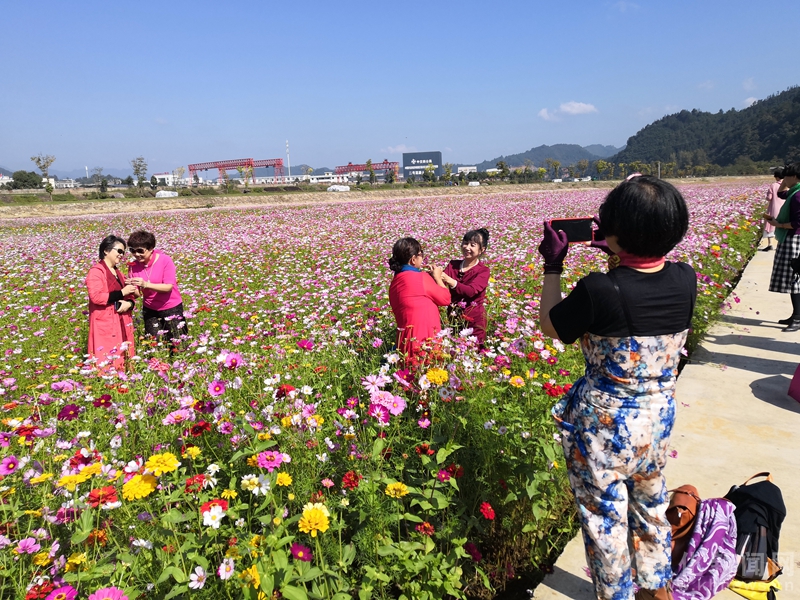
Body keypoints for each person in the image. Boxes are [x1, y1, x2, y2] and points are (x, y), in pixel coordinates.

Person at [537, 176, 697, 600]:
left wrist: (553, 264)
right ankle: (656, 588)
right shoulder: (686, 278)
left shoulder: (598, 289)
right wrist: (620, 246)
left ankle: (616, 595)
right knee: (650, 503)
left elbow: (551, 323)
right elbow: (642, 286)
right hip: (657, 418)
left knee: (604, 518)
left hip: (603, 428)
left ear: (615, 230)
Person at [388, 237, 451, 365]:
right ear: (413, 259)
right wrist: (437, 277)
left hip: (405, 341)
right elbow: (445, 299)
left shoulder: (395, 282)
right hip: (425, 340)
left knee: (408, 376)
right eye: (421, 255)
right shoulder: (421, 277)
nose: (422, 258)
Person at [125, 230, 188, 353]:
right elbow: (138, 295)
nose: (136, 254)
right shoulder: (133, 266)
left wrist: (146, 284)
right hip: (150, 309)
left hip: (171, 307)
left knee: (178, 343)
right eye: (132, 250)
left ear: (151, 248)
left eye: (140, 251)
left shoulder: (165, 260)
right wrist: (131, 288)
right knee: (154, 345)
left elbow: (168, 287)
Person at [85, 235, 138, 371]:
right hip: (106, 323)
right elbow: (96, 297)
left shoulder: (118, 272)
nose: (122, 255)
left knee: (126, 357)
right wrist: (122, 293)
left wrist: (130, 304)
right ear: (106, 251)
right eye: (119, 251)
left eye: (123, 252)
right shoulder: (96, 272)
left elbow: (131, 295)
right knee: (108, 360)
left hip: (122, 321)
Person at [440, 228, 491, 347]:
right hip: (454, 318)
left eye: (472, 245)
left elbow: (471, 291)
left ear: (482, 250)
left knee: (474, 353)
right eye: (465, 243)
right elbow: (440, 284)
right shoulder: (453, 265)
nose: (467, 247)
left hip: (474, 321)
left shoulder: (483, 271)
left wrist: (448, 279)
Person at [765, 162, 800, 331]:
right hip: (791, 237)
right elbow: (782, 195)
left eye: (787, 176)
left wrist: (778, 225)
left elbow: (797, 223)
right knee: (792, 278)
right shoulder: (794, 192)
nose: (783, 179)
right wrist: (784, 183)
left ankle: (798, 318)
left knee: (794, 279)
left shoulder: (799, 195)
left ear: (795, 177)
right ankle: (795, 315)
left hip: (794, 239)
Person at [761, 167, 784, 251]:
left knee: (770, 224)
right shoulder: (787, 185)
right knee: (782, 225)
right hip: (784, 208)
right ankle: (780, 244)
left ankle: (770, 244)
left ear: (777, 177)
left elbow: (769, 198)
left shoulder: (773, 186)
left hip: (774, 208)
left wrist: (767, 196)